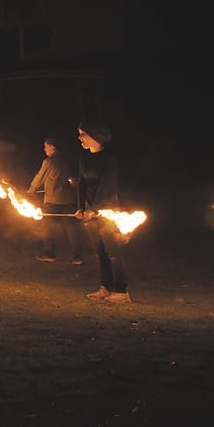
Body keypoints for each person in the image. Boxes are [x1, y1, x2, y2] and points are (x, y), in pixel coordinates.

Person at [75, 120, 130, 304]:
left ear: (94, 136)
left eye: (82, 134)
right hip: (90, 211)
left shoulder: (109, 160)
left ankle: (121, 291)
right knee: (99, 251)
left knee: (112, 251)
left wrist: (95, 209)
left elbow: (107, 186)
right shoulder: (84, 158)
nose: (79, 138)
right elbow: (82, 185)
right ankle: (105, 287)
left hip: (108, 210)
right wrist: (81, 207)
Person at [26, 136, 84, 265]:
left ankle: (49, 253)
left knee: (48, 227)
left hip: (52, 201)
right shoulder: (68, 160)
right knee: (72, 228)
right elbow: (74, 180)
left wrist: (30, 191)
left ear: (53, 147)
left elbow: (40, 177)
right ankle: (77, 256)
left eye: (46, 146)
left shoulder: (49, 161)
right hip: (69, 200)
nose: (44, 149)